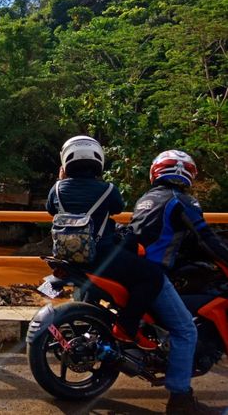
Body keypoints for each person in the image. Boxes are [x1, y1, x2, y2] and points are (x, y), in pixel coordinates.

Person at [130, 150, 228, 414]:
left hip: (134, 270)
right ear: (187, 173)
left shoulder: (145, 199)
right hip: (154, 275)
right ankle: (180, 398)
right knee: (186, 331)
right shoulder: (181, 201)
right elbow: (206, 237)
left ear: (157, 171)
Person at [47, 136, 164, 349]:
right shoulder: (108, 190)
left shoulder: (56, 190)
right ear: (98, 160)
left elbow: (51, 209)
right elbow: (117, 208)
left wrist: (60, 179)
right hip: (102, 255)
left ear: (65, 162)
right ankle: (127, 326)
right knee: (153, 275)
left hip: (65, 256)